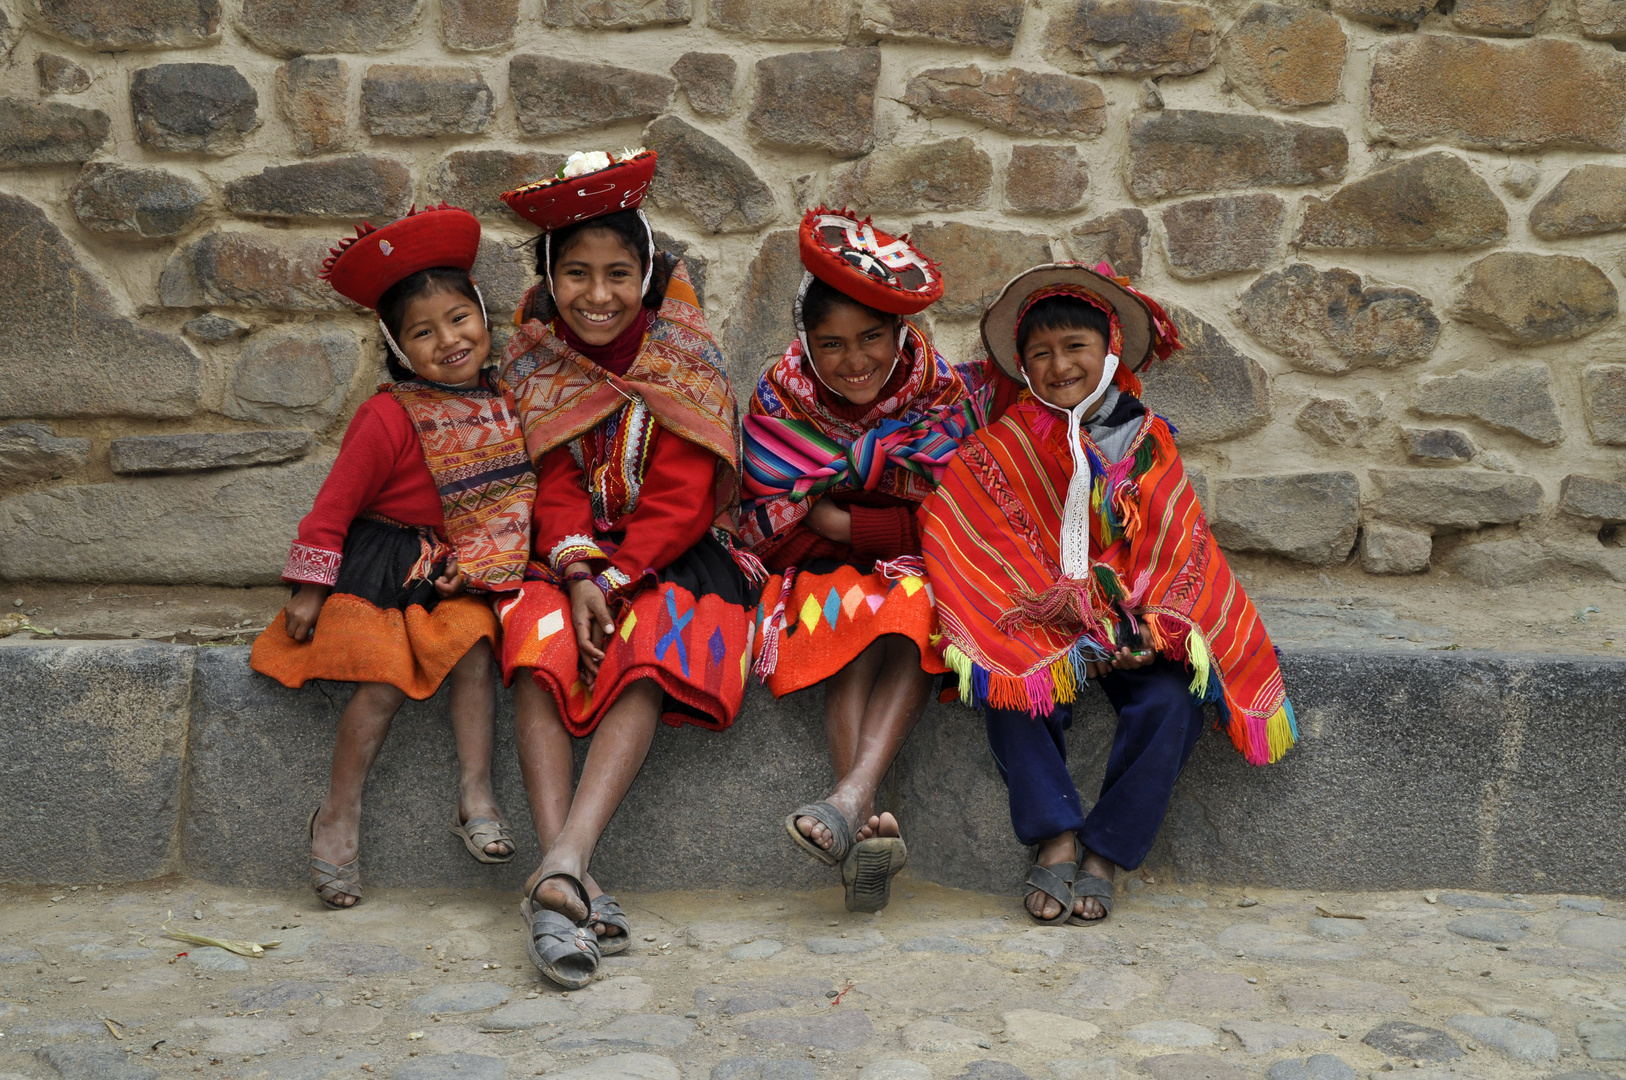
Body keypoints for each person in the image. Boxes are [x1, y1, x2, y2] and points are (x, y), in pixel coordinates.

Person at [921, 262, 1297, 925]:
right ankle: (1055, 835)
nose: (1058, 365)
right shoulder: (1002, 445)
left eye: (1075, 348)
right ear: (1023, 366)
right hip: (1041, 623)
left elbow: (1174, 544)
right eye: (1040, 354)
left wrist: (1139, 628)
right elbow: (968, 528)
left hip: (1132, 629)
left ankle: (1105, 853)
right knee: (1013, 691)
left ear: (1109, 352)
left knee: (1173, 705)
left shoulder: (1144, 438)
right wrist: (1037, 614)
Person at [495, 149, 759, 987]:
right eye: (576, 273)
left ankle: (562, 862)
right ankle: (568, 878)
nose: (598, 295)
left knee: (649, 652)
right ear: (548, 274)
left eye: (618, 272)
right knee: (537, 648)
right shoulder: (535, 365)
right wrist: (576, 574)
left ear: (648, 275)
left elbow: (683, 496)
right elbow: (553, 485)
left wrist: (615, 579)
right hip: (567, 560)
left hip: (673, 558)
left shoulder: (686, 359)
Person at [252, 204, 533, 908]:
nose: (449, 340)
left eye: (460, 318)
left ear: (482, 315)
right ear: (397, 346)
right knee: (379, 679)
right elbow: (333, 506)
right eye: (423, 332)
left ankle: (476, 795)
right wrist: (310, 589)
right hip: (379, 566)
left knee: (473, 645)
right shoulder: (388, 415)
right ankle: (337, 815)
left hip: (451, 570)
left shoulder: (504, 400)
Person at [741, 207, 995, 912]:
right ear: (804, 342)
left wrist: (842, 521)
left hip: (918, 575)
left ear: (900, 332)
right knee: (848, 628)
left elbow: (955, 518)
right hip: (813, 575)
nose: (854, 362)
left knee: (915, 607)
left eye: (871, 339)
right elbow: (772, 524)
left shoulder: (945, 396)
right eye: (831, 345)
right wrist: (866, 528)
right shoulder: (779, 400)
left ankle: (849, 802)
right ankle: (860, 812)